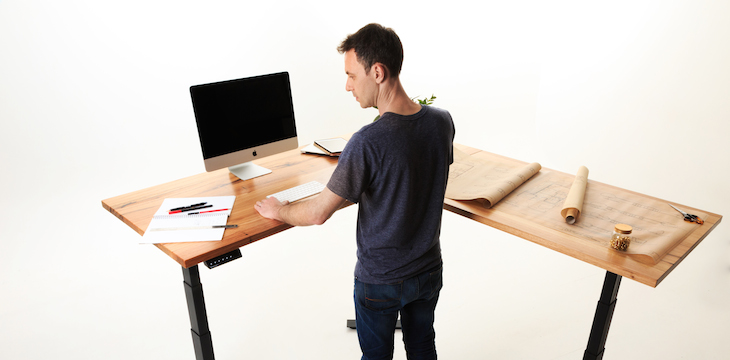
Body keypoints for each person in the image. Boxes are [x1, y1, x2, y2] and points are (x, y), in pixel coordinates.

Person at [254, 23, 455, 360]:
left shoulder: (367, 142)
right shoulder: (442, 121)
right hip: (428, 271)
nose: (347, 86)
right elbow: (415, 173)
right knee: (422, 347)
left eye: (351, 75)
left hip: (380, 281)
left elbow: (318, 213)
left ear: (377, 72)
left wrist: (279, 210)